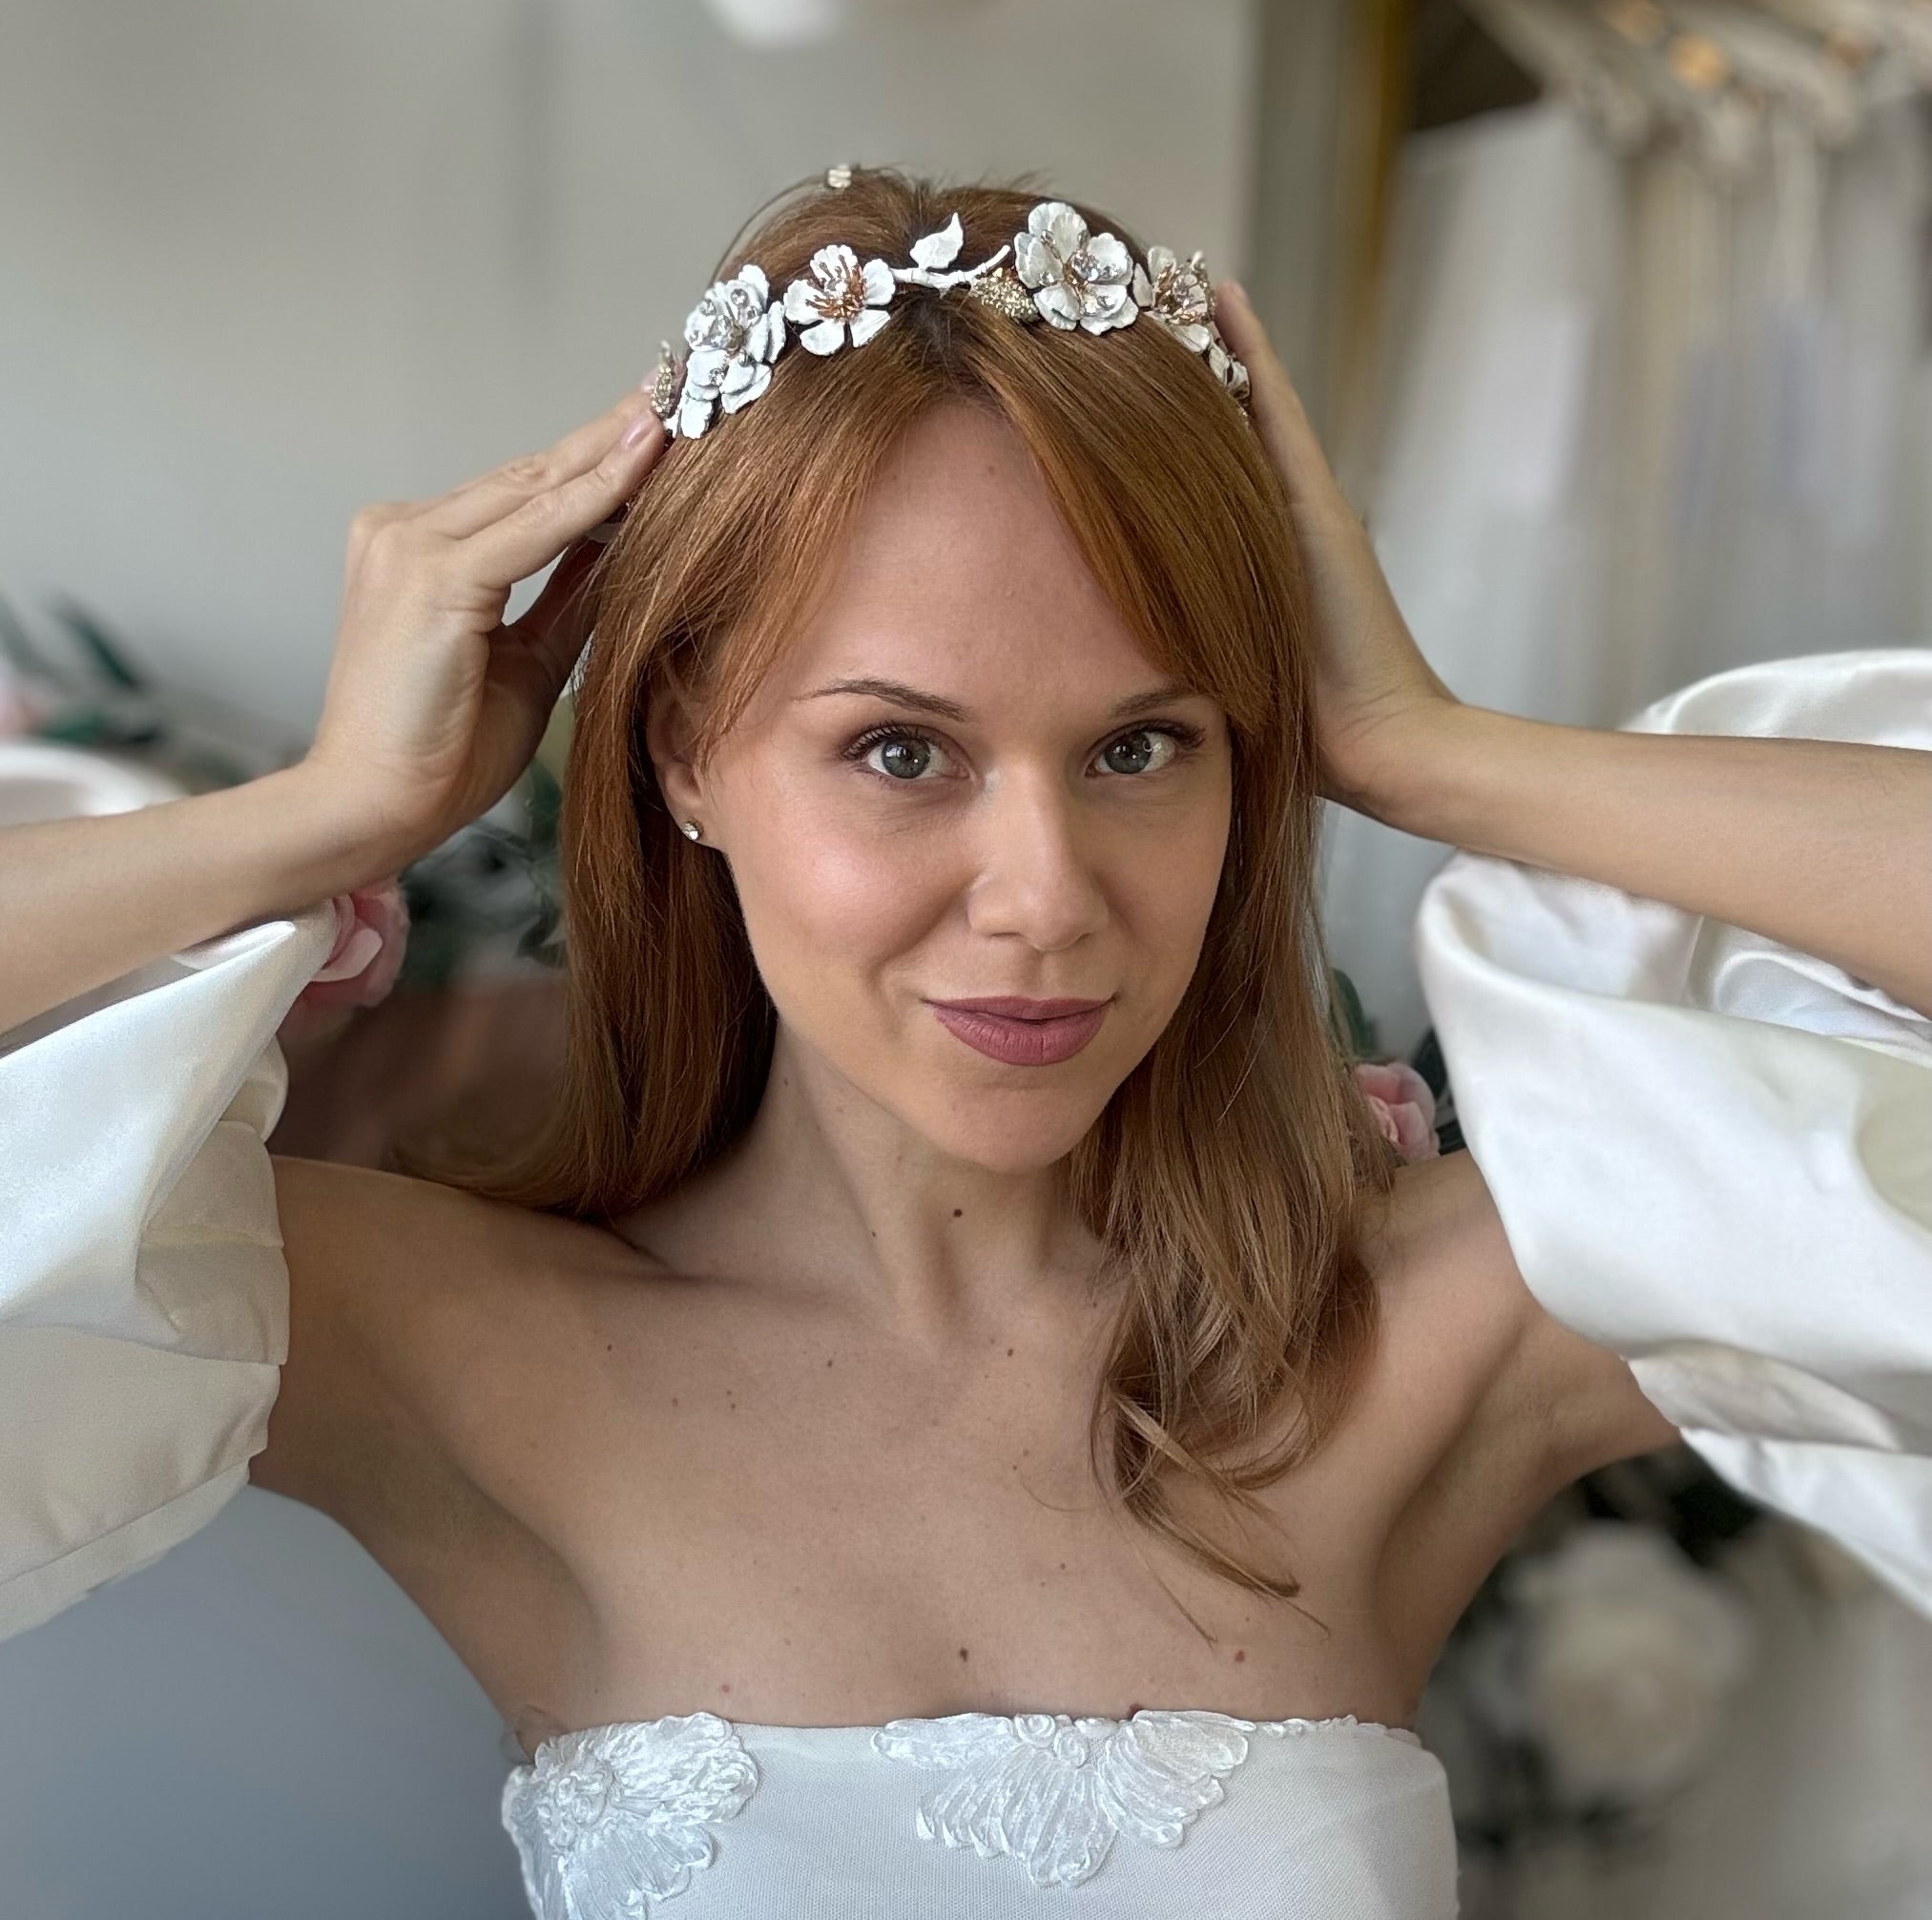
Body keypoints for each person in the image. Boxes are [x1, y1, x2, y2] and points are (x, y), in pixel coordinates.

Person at [2, 169, 1927, 1919]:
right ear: (681, 753)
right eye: (900, 749)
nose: (1043, 897)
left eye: (1139, 744)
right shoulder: (446, 1342)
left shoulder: (1445, 1321)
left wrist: (1434, 752)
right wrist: (328, 812)